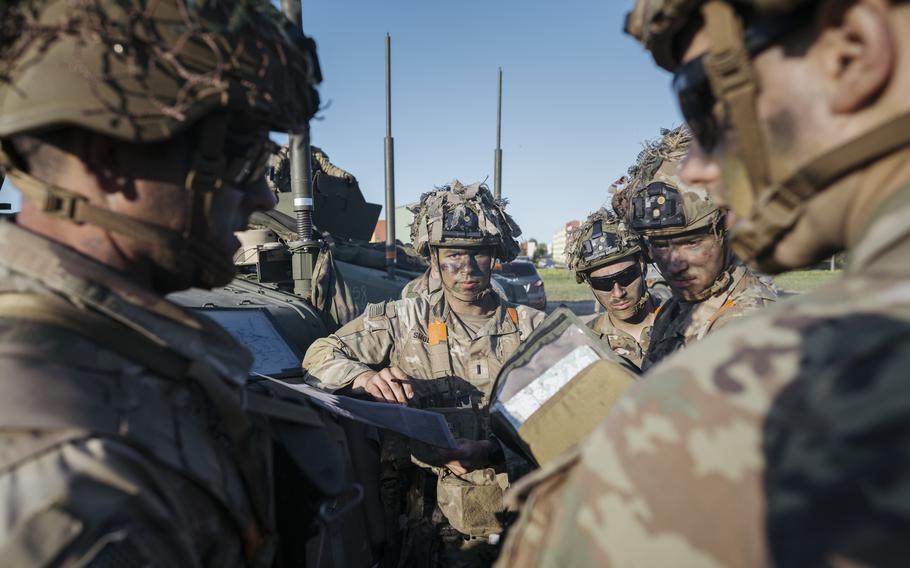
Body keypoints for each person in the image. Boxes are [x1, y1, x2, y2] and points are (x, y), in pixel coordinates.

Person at [497, 0, 910, 566]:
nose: (699, 167)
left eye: (710, 114)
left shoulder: (773, 348)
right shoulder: (673, 317)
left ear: (854, 53)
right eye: (656, 245)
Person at [0, 1, 323, 565]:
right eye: (238, 154)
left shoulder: (109, 343)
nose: (263, 197)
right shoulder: (75, 472)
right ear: (109, 157)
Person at [304, 180, 544, 567]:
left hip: (520, 520)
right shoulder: (403, 320)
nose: (466, 269)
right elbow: (320, 353)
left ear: (495, 255)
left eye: (479, 255)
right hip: (425, 521)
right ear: (432, 258)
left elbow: (570, 425)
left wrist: (493, 451)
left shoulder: (535, 329)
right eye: (452, 255)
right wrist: (362, 377)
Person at [627, 126, 777, 370]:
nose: (676, 263)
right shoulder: (675, 308)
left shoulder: (752, 325)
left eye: (691, 242)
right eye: (661, 245)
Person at [566, 208, 660, 368]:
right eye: (602, 283)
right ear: (589, 283)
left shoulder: (682, 321)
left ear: (642, 266)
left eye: (626, 276)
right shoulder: (583, 346)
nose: (618, 293)